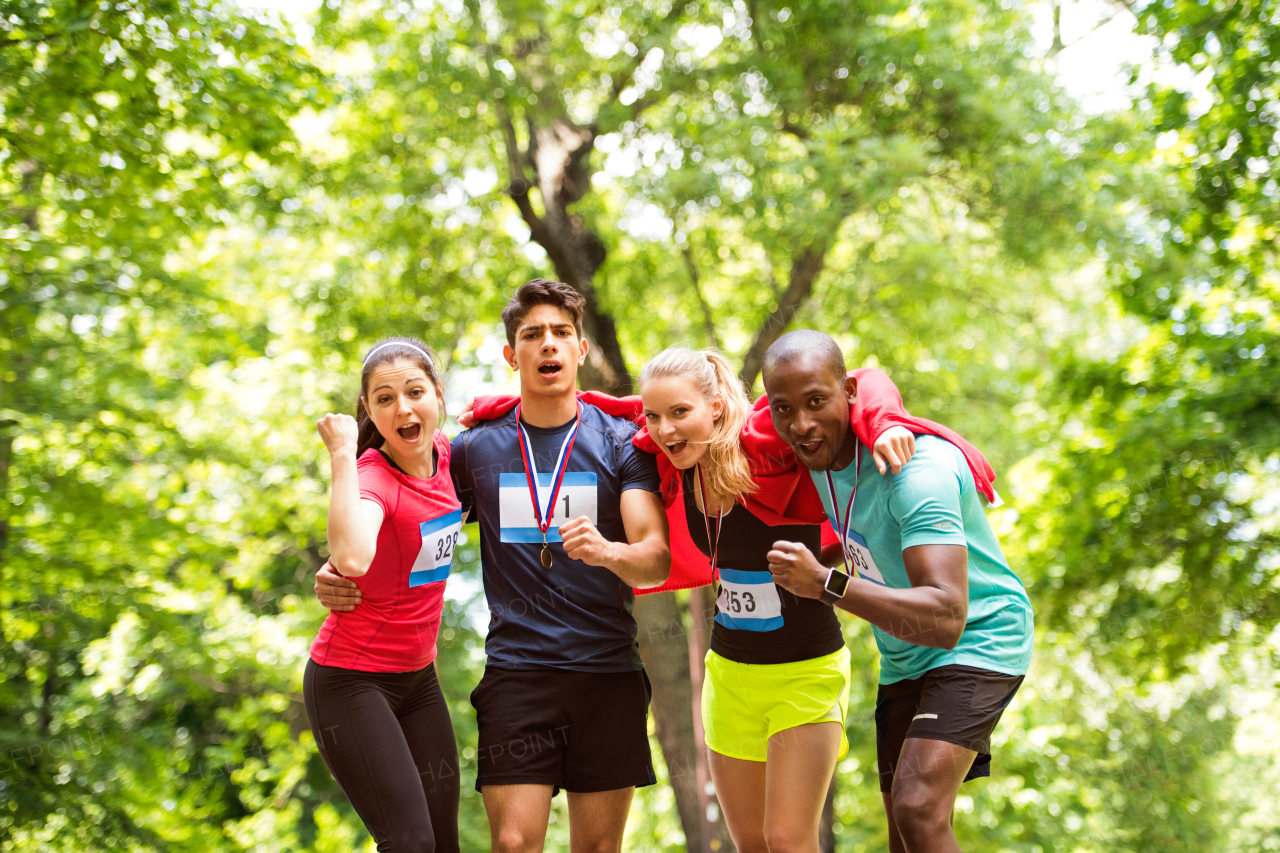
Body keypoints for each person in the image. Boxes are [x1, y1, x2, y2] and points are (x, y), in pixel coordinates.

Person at [462, 347, 920, 853]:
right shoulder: (670, 456)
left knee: (788, 840)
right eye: (656, 417)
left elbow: (862, 379)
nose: (665, 427)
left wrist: (886, 423)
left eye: (680, 413)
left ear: (717, 406)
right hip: (730, 677)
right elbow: (601, 407)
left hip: (805, 671)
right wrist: (499, 406)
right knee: (750, 844)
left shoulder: (765, 437)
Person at [315, 280, 671, 853]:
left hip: (607, 671)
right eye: (533, 335)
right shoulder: (474, 450)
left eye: (561, 334)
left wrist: (606, 551)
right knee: (511, 843)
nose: (548, 345)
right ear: (512, 356)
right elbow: (406, 505)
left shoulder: (621, 442)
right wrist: (339, 571)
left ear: (580, 350)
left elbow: (655, 560)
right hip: (517, 673)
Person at [759, 330, 1034, 853]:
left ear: (848, 393)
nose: (801, 424)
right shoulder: (817, 450)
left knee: (918, 807)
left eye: (817, 402)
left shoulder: (916, 471)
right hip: (905, 655)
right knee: (902, 835)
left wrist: (824, 583)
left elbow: (947, 615)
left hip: (979, 638)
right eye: (784, 409)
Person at [306, 337, 461, 853]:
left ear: (437, 395)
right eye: (385, 399)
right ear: (369, 411)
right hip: (350, 683)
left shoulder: (445, 456)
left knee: (443, 841)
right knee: (411, 841)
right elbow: (352, 558)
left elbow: (509, 413)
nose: (403, 408)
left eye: (415, 391)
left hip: (419, 682)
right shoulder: (373, 478)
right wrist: (341, 454)